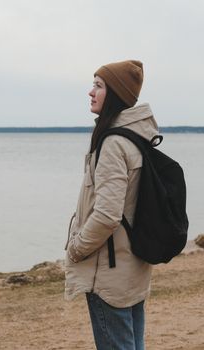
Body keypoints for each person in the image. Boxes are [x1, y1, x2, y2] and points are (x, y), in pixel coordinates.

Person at [64, 60, 160, 350]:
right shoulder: (135, 138)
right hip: (130, 266)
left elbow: (107, 214)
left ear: (115, 94)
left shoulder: (114, 144)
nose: (90, 92)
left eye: (98, 86)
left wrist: (77, 248)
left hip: (108, 273)